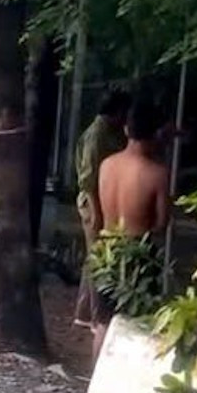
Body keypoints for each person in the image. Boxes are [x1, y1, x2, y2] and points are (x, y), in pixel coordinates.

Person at [90, 98, 170, 361]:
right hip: (138, 251)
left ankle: (94, 381)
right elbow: (161, 223)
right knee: (138, 324)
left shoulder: (107, 165)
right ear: (157, 133)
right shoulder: (157, 173)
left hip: (107, 248)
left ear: (126, 129)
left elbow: (98, 212)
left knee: (103, 322)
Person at [73, 87, 129, 326]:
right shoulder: (98, 135)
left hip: (102, 198)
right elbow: (88, 178)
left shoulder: (110, 132)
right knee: (99, 259)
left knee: (94, 257)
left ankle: (84, 312)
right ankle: (97, 316)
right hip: (93, 200)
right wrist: (96, 212)